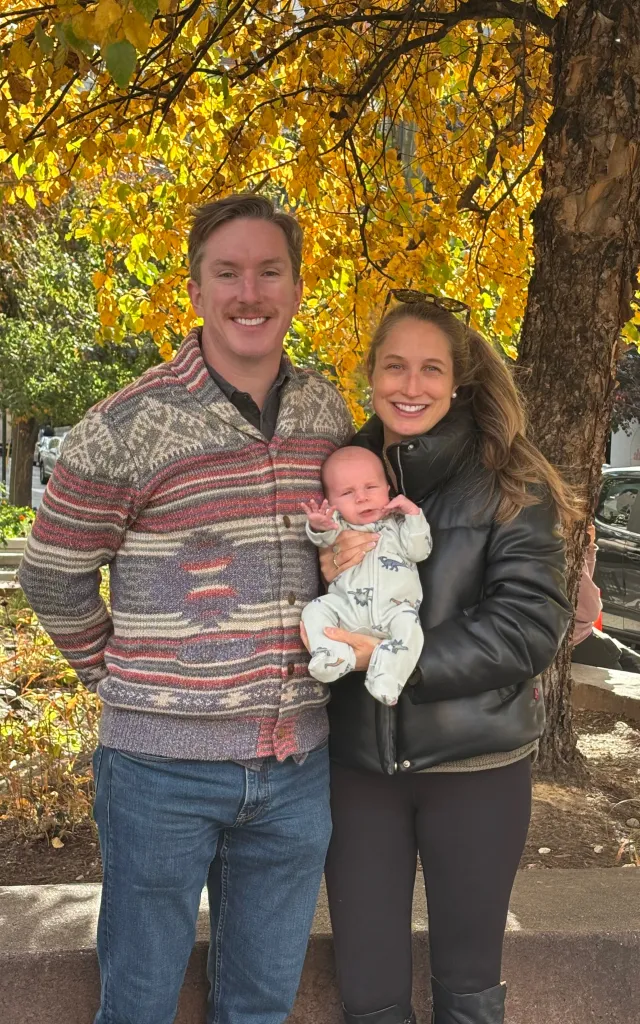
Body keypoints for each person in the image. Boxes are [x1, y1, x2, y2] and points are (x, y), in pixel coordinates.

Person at [18, 194, 353, 1024]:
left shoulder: (326, 412)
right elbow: (52, 572)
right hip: (157, 775)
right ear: (196, 291)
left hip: (295, 770)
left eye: (269, 271)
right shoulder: (125, 425)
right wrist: (123, 676)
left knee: (260, 1008)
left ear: (297, 287)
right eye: (228, 272)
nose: (250, 292)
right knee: (137, 1004)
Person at [312, 295, 577, 1024]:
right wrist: (324, 571)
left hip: (477, 772)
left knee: (467, 986)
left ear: (458, 382)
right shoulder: (337, 475)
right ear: (369, 376)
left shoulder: (509, 481)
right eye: (394, 366)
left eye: (431, 369)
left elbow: (528, 626)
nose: (410, 384)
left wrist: (394, 659)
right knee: (368, 992)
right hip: (358, 771)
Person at [301, 446, 431, 705]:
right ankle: (333, 655)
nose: (361, 498)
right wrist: (318, 526)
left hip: (395, 611)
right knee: (315, 609)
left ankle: (386, 677)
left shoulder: (399, 525)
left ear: (388, 489)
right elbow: (324, 540)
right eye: (347, 493)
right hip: (348, 609)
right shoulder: (339, 527)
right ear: (332, 501)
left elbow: (420, 551)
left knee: (410, 628)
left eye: (371, 487)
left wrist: (415, 516)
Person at [571, 523, 640, 672]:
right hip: (577, 639)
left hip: (583, 632)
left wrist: (589, 549)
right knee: (625, 674)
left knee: (633, 661)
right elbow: (591, 611)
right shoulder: (563, 548)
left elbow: (586, 578)